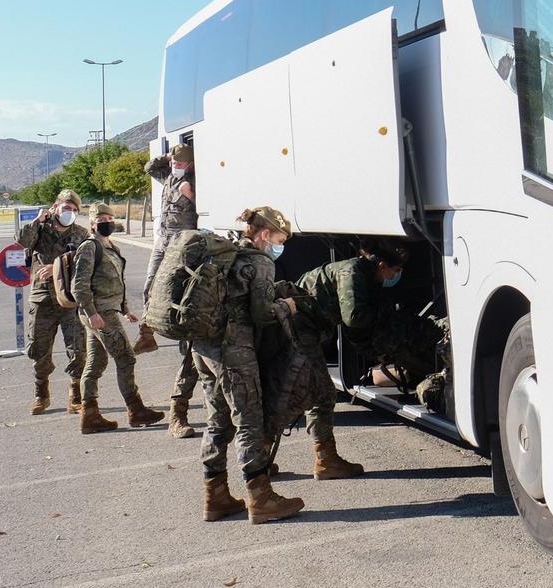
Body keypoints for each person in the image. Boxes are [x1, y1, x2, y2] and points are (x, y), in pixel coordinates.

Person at [260, 238, 409, 480]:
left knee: (304, 392)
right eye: (396, 270)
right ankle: (320, 460)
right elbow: (353, 318)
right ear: (382, 265)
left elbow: (352, 325)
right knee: (315, 393)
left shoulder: (363, 274)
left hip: (303, 327)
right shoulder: (353, 271)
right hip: (298, 326)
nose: (396, 275)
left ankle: (272, 457)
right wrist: (382, 320)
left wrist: (374, 352)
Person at [194, 206, 304, 524]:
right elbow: (260, 313)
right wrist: (287, 306)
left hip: (203, 346)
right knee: (249, 422)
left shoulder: (229, 253)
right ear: (265, 234)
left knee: (218, 422)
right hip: (233, 351)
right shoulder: (259, 261)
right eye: (280, 239)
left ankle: (215, 497)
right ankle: (261, 498)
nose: (280, 246)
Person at [72, 203, 165, 434]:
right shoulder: (89, 247)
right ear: (92, 223)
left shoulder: (110, 245)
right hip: (100, 314)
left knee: (96, 363)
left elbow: (115, 281)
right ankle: (136, 410)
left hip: (107, 311)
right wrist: (91, 313)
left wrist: (125, 308)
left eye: (109, 217)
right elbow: (79, 285)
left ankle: (90, 416)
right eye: (101, 218)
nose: (107, 221)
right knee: (126, 358)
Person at [138, 142, 202, 439]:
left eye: (180, 162)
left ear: (189, 163)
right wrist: (165, 158)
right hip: (163, 240)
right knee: (149, 286)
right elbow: (151, 168)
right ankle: (146, 332)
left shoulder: (193, 183)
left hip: (181, 244)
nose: (175, 166)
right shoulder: (170, 177)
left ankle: (181, 413)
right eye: (174, 163)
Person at [17, 189, 88, 415]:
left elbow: (88, 263)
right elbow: (21, 240)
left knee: (77, 349)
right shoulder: (39, 230)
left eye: (75, 210)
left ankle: (75, 394)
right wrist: (38, 220)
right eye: (67, 208)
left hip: (69, 300)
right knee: (39, 348)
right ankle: (41, 394)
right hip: (42, 299)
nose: (71, 213)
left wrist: (57, 266)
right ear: (55, 207)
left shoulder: (81, 234)